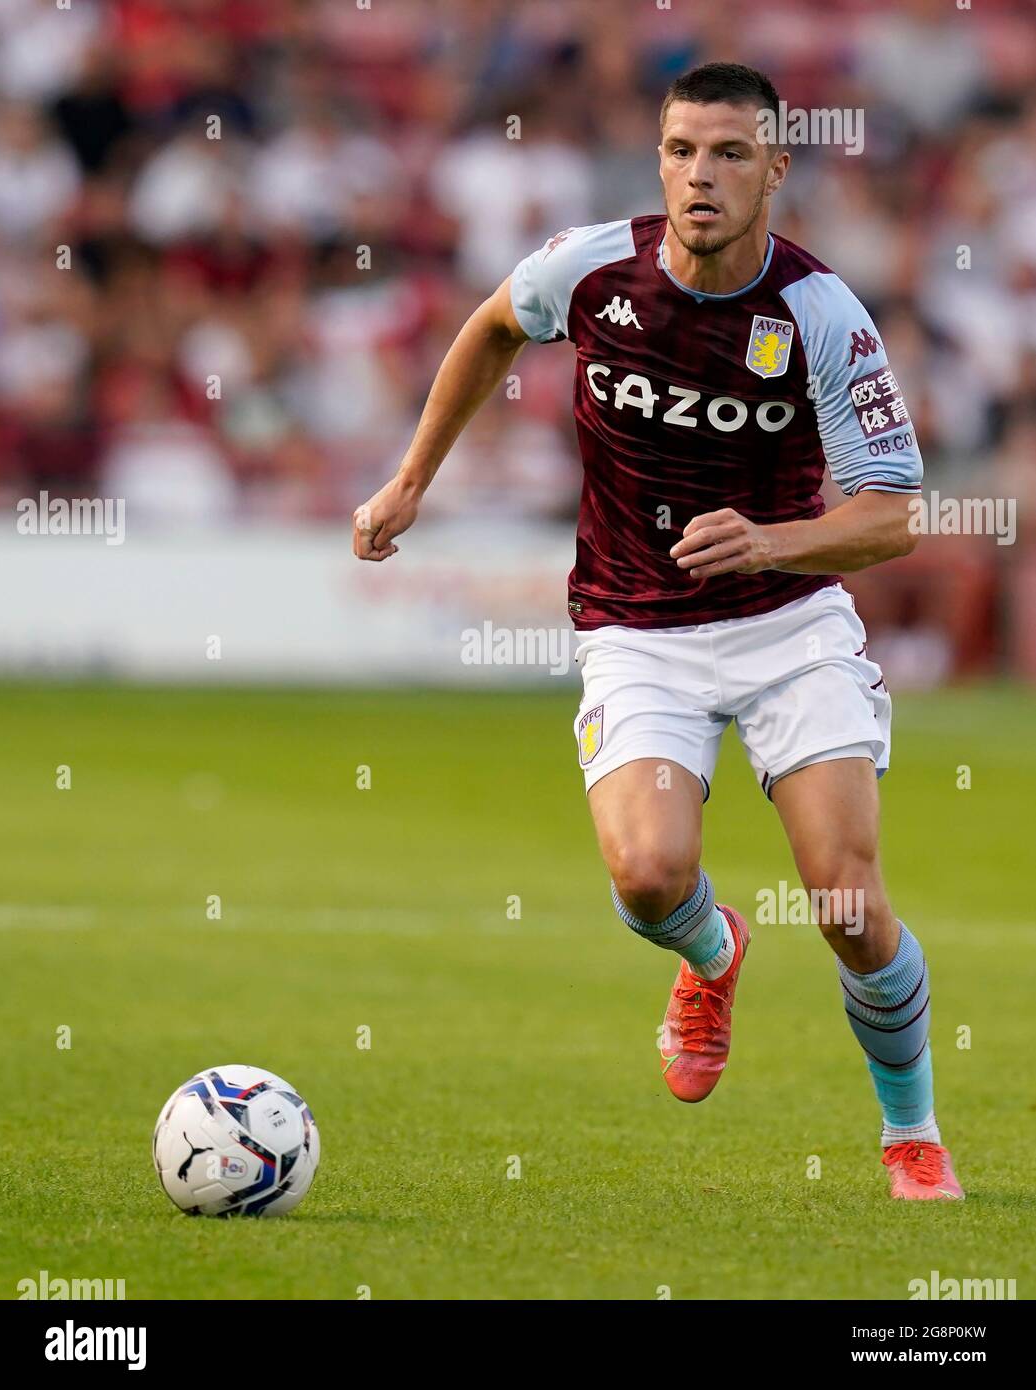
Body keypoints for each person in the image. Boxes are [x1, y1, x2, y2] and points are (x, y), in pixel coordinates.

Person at [353, 62, 962, 1201]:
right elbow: (490, 328)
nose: (702, 175)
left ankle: (911, 1132)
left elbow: (891, 518)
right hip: (636, 621)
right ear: (661, 164)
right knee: (645, 874)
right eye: (683, 151)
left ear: (776, 170)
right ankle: (712, 951)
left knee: (845, 902)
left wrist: (775, 541)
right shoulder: (590, 270)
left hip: (787, 623)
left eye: (731, 153)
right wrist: (410, 481)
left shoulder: (822, 313)